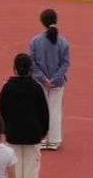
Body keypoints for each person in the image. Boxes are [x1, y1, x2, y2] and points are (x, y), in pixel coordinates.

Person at [0, 53, 50, 178]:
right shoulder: (37, 88)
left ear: (14, 69)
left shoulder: (7, 87)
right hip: (33, 134)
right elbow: (44, 112)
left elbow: (2, 108)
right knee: (31, 167)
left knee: (14, 165)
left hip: (13, 133)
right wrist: (44, 131)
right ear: (31, 69)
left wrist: (5, 128)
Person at [29, 9, 71, 151]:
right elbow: (65, 63)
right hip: (57, 83)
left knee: (39, 109)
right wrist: (54, 78)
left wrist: (43, 78)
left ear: (42, 22)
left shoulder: (35, 41)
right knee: (55, 109)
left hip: (39, 82)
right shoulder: (63, 42)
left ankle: (40, 138)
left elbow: (32, 62)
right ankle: (54, 140)